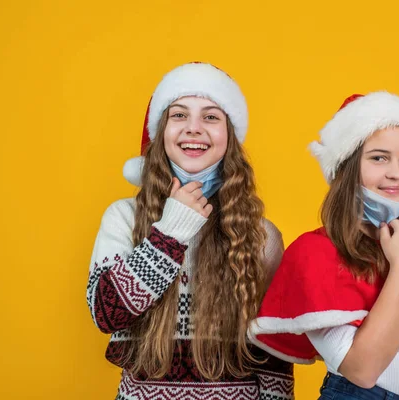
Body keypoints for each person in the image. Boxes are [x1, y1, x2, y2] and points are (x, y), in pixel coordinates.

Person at [248, 92, 399, 400]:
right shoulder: (316, 253)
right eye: (379, 158)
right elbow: (362, 370)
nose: (397, 173)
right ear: (346, 168)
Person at [87, 62, 294, 399]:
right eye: (179, 115)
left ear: (230, 137)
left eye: (211, 117)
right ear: (161, 132)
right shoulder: (123, 218)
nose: (194, 128)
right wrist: (171, 232)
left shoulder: (260, 235)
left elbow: (273, 354)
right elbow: (106, 313)